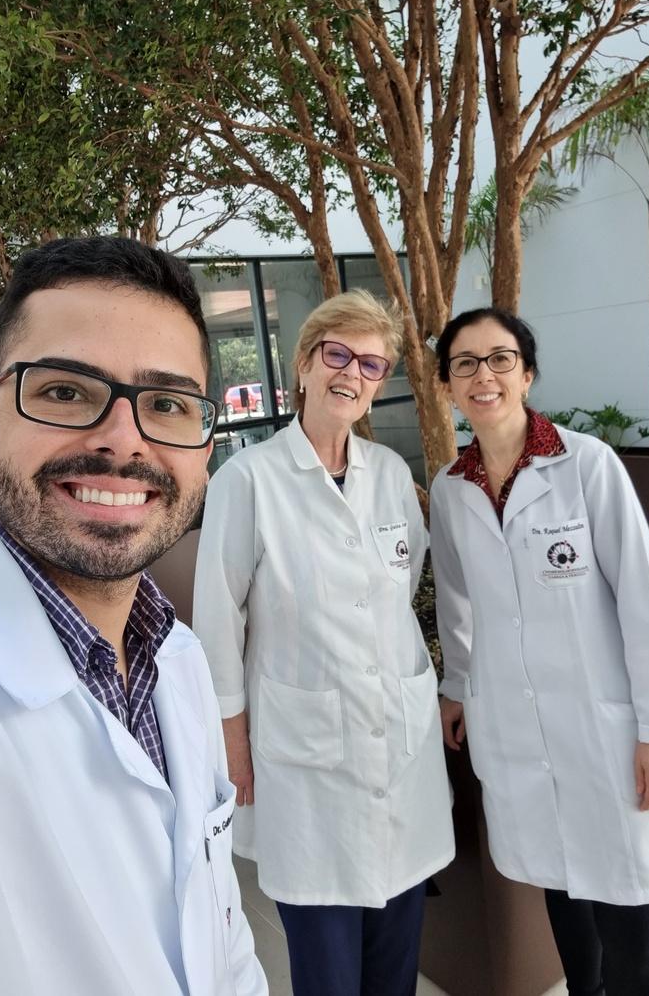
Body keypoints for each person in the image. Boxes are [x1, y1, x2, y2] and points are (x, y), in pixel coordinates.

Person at [0, 236, 267, 996]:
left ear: (205, 447)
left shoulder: (175, 658)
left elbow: (223, 935)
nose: (122, 440)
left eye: (168, 404)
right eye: (66, 392)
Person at [429, 306, 649, 996]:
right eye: (465, 363)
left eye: (499, 359)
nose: (482, 375)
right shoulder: (451, 490)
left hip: (605, 732)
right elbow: (457, 601)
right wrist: (457, 685)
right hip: (518, 733)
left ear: (527, 373)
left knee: (633, 940)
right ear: (448, 385)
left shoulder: (586, 465)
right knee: (566, 903)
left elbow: (643, 597)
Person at [193, 291, 455, 996]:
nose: (352, 373)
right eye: (336, 354)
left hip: (399, 747)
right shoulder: (247, 481)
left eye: (370, 363)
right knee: (329, 972)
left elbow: (402, 590)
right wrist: (234, 746)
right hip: (305, 766)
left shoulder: (392, 476)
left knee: (395, 964)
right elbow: (218, 624)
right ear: (303, 365)